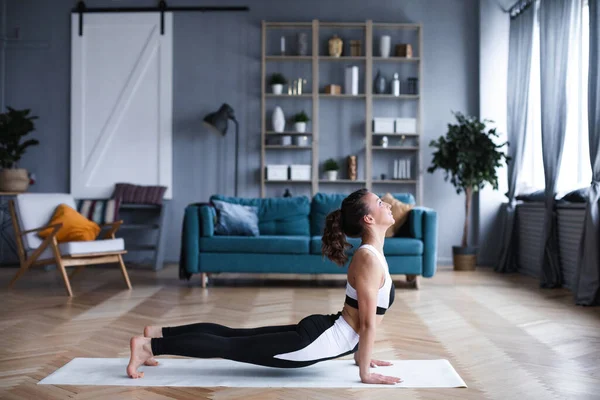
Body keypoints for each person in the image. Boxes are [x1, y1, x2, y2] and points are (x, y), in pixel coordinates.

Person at [126, 188, 402, 385]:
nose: (387, 204)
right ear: (368, 218)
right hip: (314, 343)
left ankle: (158, 334)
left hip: (323, 333)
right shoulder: (368, 258)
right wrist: (364, 372)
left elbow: (361, 320)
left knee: (232, 337)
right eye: (380, 202)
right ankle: (150, 346)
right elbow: (366, 324)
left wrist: (360, 357)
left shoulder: (373, 255)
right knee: (228, 346)